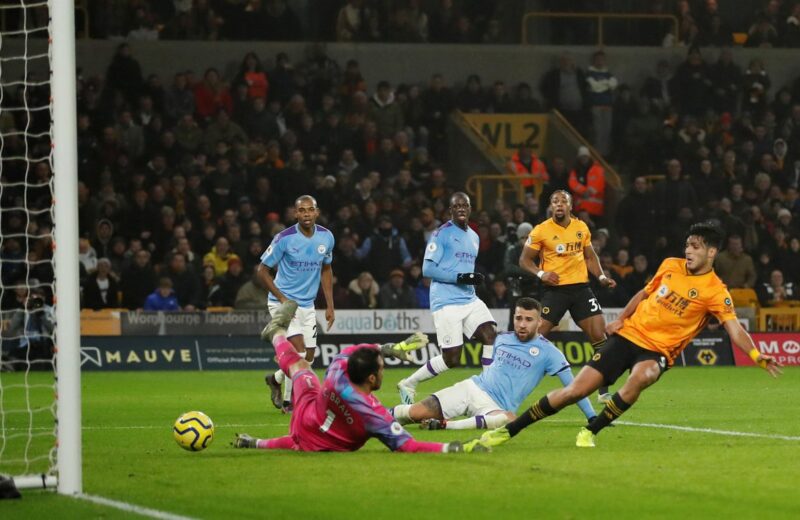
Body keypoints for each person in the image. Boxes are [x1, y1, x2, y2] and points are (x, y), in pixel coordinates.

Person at [476, 222, 782, 450]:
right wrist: (621, 319)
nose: (688, 250)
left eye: (696, 246)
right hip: (627, 337)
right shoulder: (670, 265)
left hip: (658, 351)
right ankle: (509, 430)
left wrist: (756, 355)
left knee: (643, 375)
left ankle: (591, 430)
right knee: (574, 392)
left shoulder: (716, 291)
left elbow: (734, 329)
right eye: (687, 244)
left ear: (712, 252)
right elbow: (643, 293)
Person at [234, 300, 485, 454]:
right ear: (372, 380)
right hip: (318, 443)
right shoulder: (372, 412)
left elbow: (358, 350)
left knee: (301, 369)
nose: (384, 369)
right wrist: (451, 447)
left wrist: (386, 349)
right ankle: (254, 443)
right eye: (382, 367)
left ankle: (276, 333)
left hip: (305, 417)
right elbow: (408, 446)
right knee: (305, 437)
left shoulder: (337, 369)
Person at [392, 298, 595, 430]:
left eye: (529, 320)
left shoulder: (550, 352)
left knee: (508, 419)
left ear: (539, 323)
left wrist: (592, 417)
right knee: (413, 413)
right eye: (519, 318)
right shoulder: (502, 339)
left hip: (494, 407)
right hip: (471, 388)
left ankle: (445, 425)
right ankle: (374, 413)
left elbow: (574, 387)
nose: (522, 324)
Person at [396, 192, 497, 405]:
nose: (461, 209)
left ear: (470, 209)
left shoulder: (474, 237)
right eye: (456, 206)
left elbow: (463, 268)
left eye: (465, 205)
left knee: (490, 335)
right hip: (446, 301)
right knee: (451, 359)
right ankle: (409, 383)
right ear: (450, 211)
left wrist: (471, 279)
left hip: (469, 299)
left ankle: (488, 391)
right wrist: (461, 277)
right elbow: (427, 269)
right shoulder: (440, 234)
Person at [520, 190, 616, 402]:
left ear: (570, 206)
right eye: (555, 201)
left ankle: (603, 392)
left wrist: (600, 277)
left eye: (564, 201)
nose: (560, 204)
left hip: (581, 289)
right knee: (536, 337)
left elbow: (590, 257)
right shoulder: (541, 230)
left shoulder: (581, 227)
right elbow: (525, 260)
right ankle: (514, 381)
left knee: (601, 339)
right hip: (555, 291)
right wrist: (542, 273)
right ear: (551, 206)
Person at [259, 195, 335, 412]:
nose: (306, 214)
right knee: (299, 352)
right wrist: (283, 299)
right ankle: (289, 402)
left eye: (310, 210)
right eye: (302, 210)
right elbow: (262, 271)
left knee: (308, 357)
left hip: (307, 305)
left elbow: (327, 268)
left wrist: (330, 305)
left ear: (317, 212)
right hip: (282, 304)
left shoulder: (326, 237)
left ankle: (275, 379)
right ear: (295, 214)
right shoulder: (284, 238)